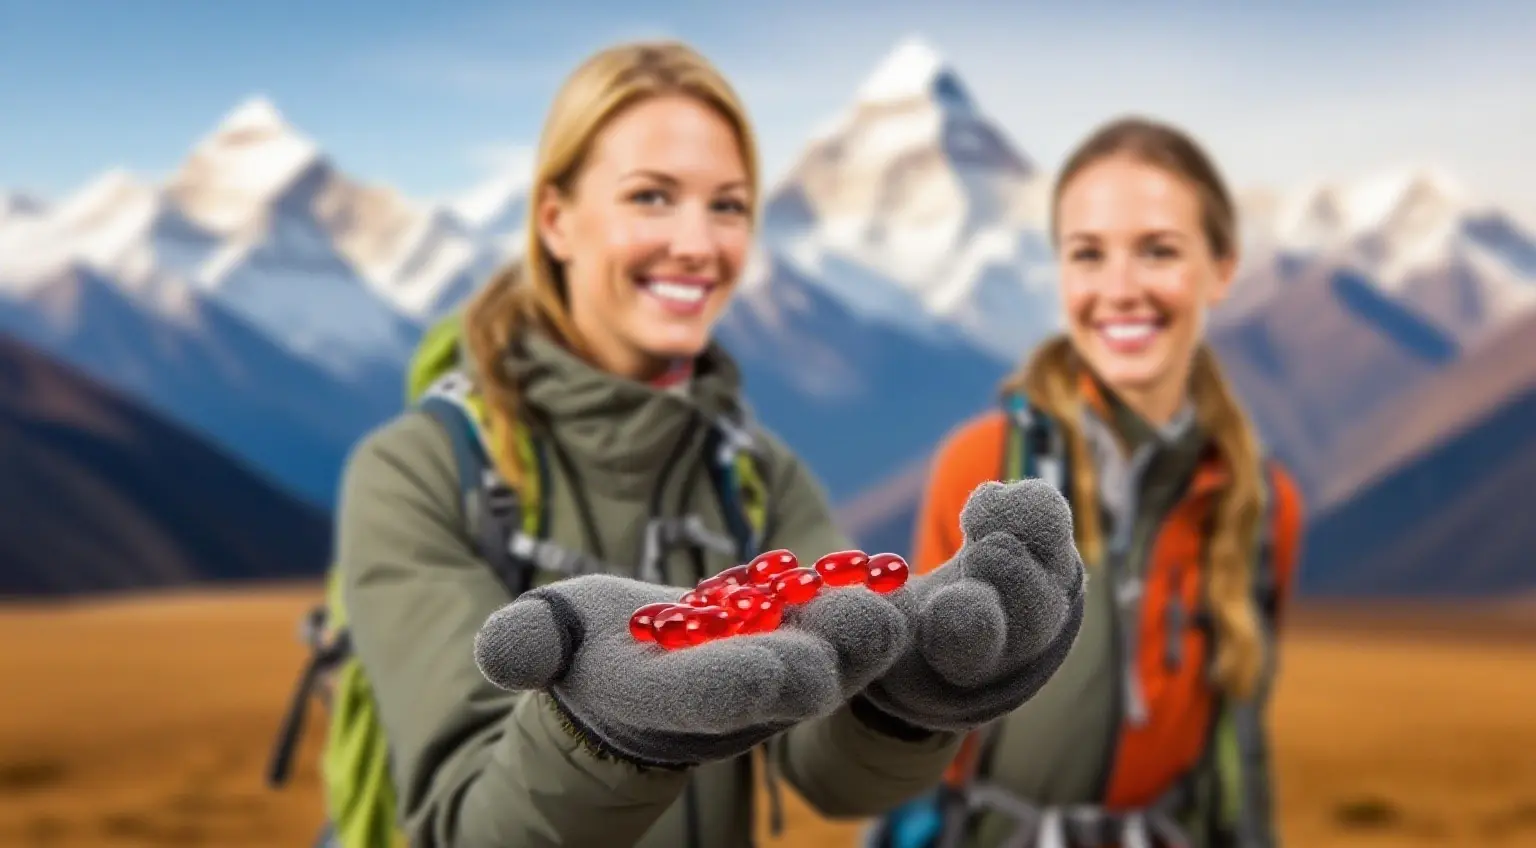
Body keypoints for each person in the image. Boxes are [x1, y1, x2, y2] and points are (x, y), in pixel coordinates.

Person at [319, 39, 1088, 848]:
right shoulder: (419, 471)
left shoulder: (758, 475)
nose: (698, 243)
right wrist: (601, 737)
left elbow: (834, 773)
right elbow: (465, 827)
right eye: (652, 197)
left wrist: (911, 700)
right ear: (556, 220)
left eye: (727, 205)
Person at [869, 117, 1306, 848]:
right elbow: (919, 726)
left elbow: (1241, 744)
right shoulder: (982, 468)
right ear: (1060, 272)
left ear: (1222, 268)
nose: (1120, 289)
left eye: (1159, 251)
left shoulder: (1260, 504)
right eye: (1088, 255)